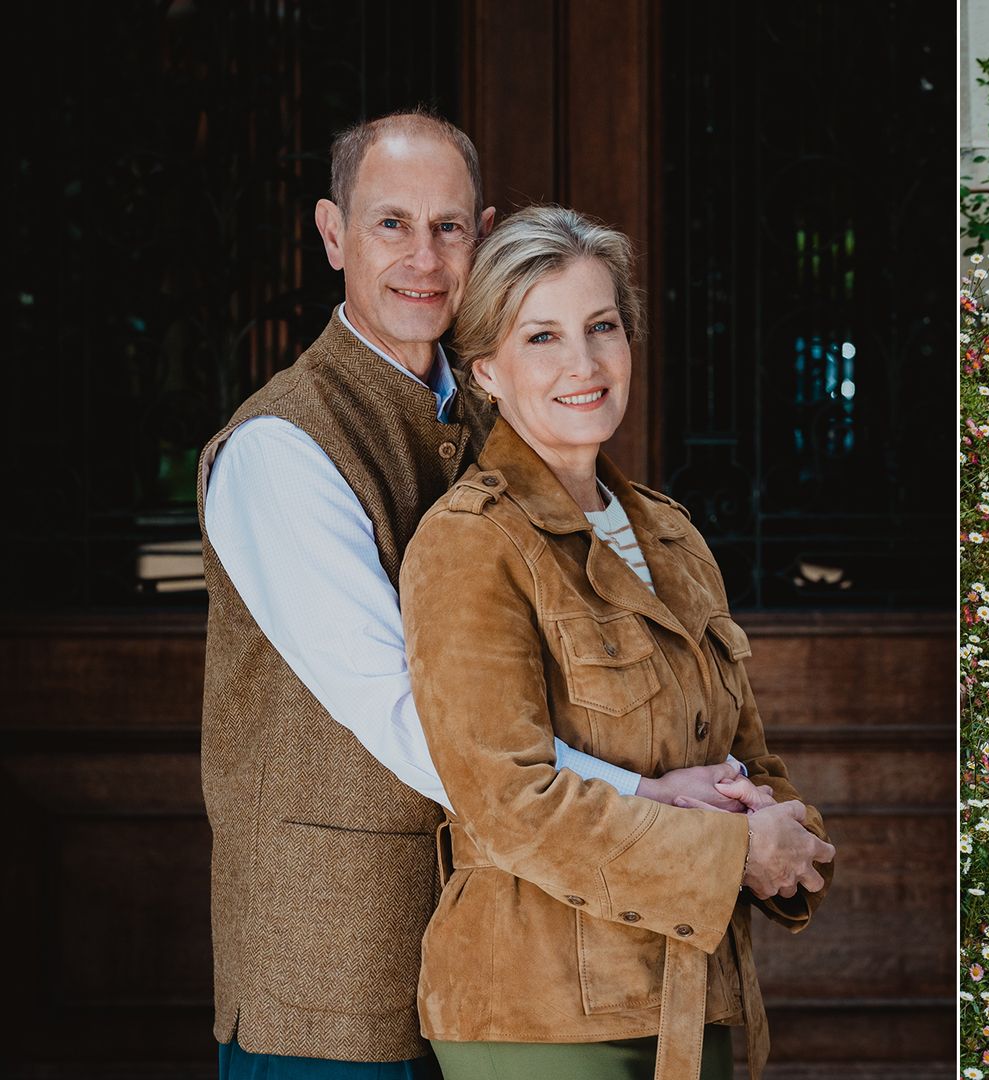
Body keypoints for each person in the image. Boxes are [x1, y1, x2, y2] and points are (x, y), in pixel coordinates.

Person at [199, 110, 753, 1079]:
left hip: (511, 955)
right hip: (336, 960)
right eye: (391, 224)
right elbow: (409, 713)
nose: (424, 257)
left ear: (482, 236)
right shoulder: (280, 447)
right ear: (332, 234)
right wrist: (654, 799)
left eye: (449, 226)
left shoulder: (505, 411)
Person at [398, 205, 835, 1080]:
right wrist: (733, 854)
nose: (584, 365)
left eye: (602, 327)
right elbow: (505, 800)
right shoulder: (470, 541)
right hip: (538, 1009)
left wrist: (788, 834)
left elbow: (744, 759)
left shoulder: (671, 534)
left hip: (694, 989)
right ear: (485, 370)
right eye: (543, 338)